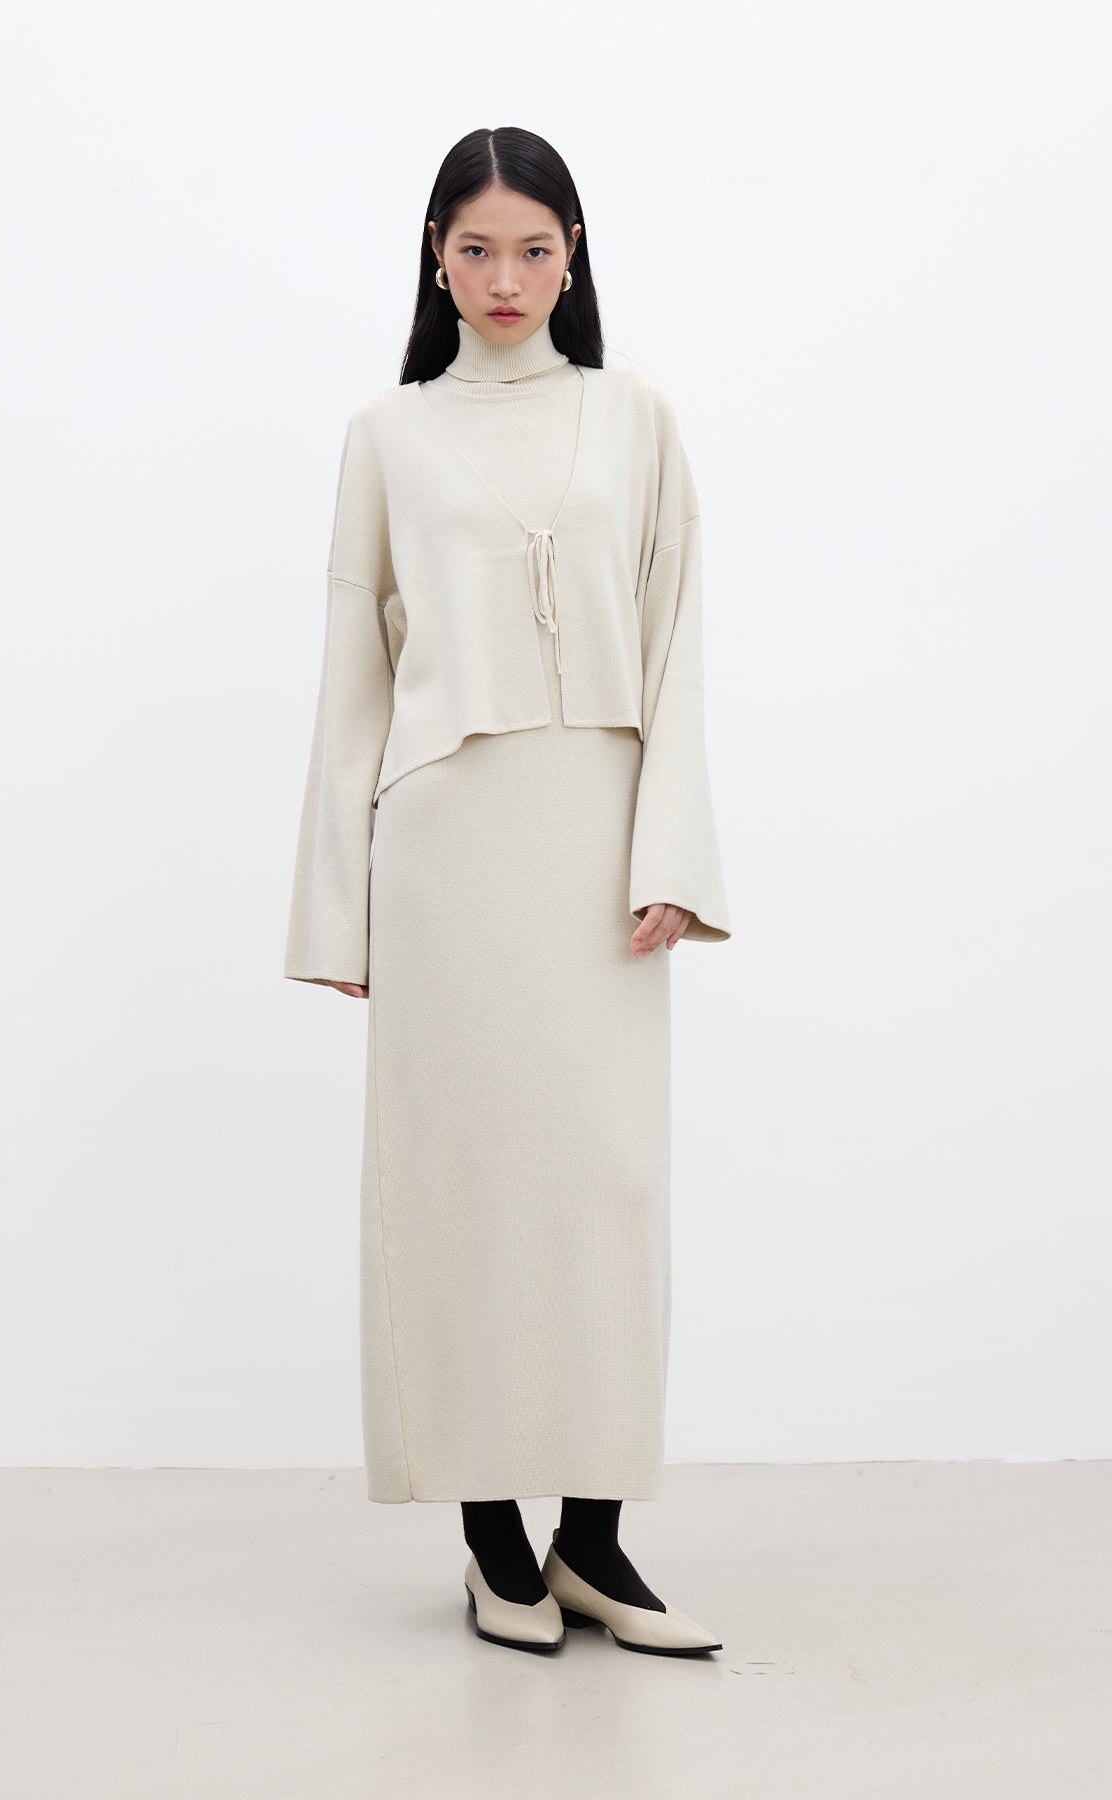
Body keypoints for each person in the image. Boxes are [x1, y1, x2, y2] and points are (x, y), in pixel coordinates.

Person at [283, 126, 732, 1657]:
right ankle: (493, 1542)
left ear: (574, 253)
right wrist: (335, 905)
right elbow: (353, 673)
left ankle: (592, 1539)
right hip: (446, 852)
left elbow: (677, 645)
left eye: (534, 248)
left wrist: (672, 853)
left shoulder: (635, 417)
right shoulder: (388, 433)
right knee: (463, 1188)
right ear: (435, 255)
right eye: (474, 248)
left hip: (596, 844)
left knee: (607, 1188)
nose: (504, 277)